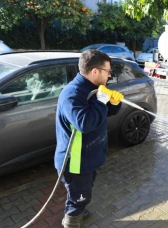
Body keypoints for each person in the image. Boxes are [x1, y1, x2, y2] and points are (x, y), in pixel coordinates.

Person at [54, 50, 124, 228]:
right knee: (79, 196)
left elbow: (103, 113)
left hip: (88, 157)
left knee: (83, 191)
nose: (110, 75)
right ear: (95, 71)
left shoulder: (93, 89)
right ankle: (71, 220)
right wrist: (101, 100)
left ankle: (79, 208)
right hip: (76, 162)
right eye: (107, 71)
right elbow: (84, 123)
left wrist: (114, 103)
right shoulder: (73, 94)